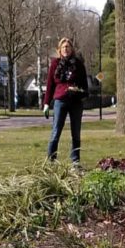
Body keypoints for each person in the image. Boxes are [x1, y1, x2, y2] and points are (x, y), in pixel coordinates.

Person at [43, 37, 89, 166]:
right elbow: (50, 85)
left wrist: (80, 92)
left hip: (75, 101)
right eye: (63, 47)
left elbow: (84, 85)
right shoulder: (55, 64)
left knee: (76, 132)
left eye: (68, 47)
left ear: (72, 49)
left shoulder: (78, 64)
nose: (66, 49)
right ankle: (51, 160)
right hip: (60, 101)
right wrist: (46, 103)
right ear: (59, 50)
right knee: (56, 131)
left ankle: (75, 160)